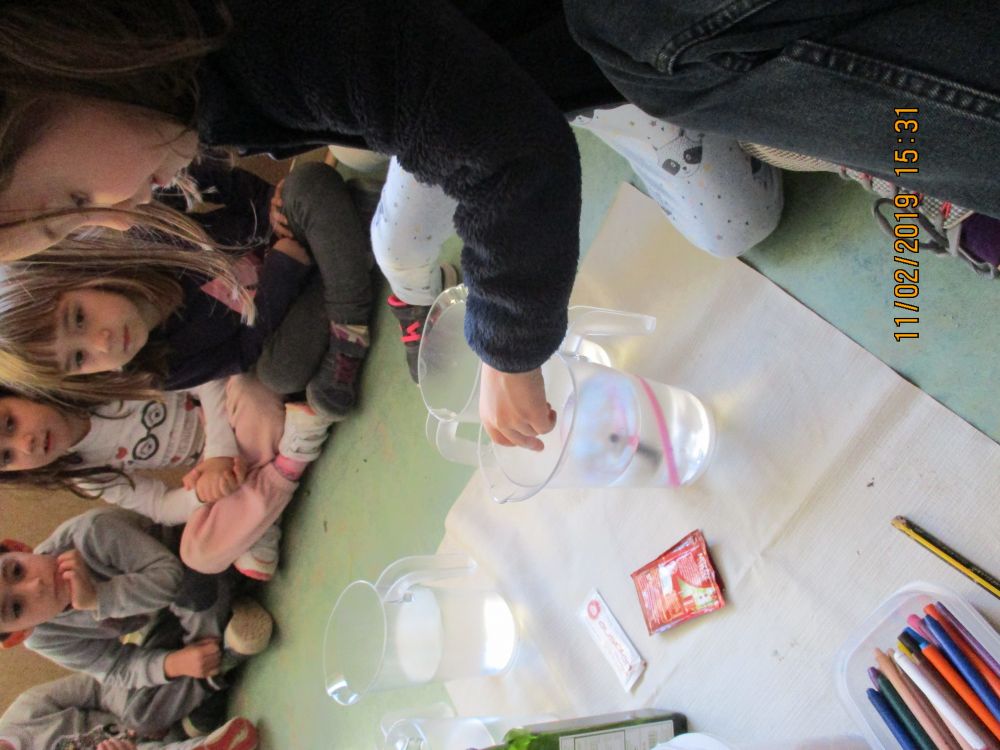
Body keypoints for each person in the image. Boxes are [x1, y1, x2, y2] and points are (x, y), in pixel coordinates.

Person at [2, 1, 994, 453]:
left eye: (65, 205)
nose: (116, 218)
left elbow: (506, 151)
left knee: (672, 83)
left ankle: (913, 157)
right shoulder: (190, 110)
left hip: (581, 60)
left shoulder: (245, 44)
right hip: (517, 76)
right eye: (69, 235)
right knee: (409, 234)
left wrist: (510, 351)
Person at [0, 377, 333, 580]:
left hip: (232, 412)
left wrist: (219, 453)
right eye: (6, 457)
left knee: (250, 390)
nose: (26, 445)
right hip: (221, 471)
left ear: (18, 391)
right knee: (198, 555)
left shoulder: (99, 378)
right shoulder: (84, 474)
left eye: (10, 424)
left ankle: (281, 479)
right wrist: (201, 495)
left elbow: (208, 378)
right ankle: (285, 465)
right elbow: (159, 506)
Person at [0, 508, 273, 738]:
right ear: (19, 634)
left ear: (18, 548)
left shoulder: (90, 534)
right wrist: (173, 664)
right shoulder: (43, 637)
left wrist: (97, 597)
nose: (36, 586)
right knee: (137, 716)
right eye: (16, 607)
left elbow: (171, 578)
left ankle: (218, 662)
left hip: (194, 565)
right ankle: (217, 665)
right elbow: (115, 667)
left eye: (16, 571)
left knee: (194, 592)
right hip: (168, 614)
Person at [0, 674, 258, 750]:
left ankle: (221, 665)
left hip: (145, 712)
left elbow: (96, 687)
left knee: (160, 704)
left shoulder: (27, 711)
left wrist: (135, 717)